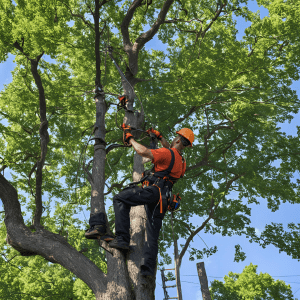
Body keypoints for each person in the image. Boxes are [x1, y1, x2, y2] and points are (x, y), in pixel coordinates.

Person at [85, 127, 194, 276]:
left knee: (120, 198)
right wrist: (160, 137)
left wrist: (130, 138)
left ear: (178, 139)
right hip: (163, 200)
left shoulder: (167, 153)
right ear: (187, 145)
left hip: (153, 191)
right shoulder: (182, 162)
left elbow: (143, 152)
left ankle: (122, 239)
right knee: (153, 235)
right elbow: (171, 152)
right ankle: (147, 269)